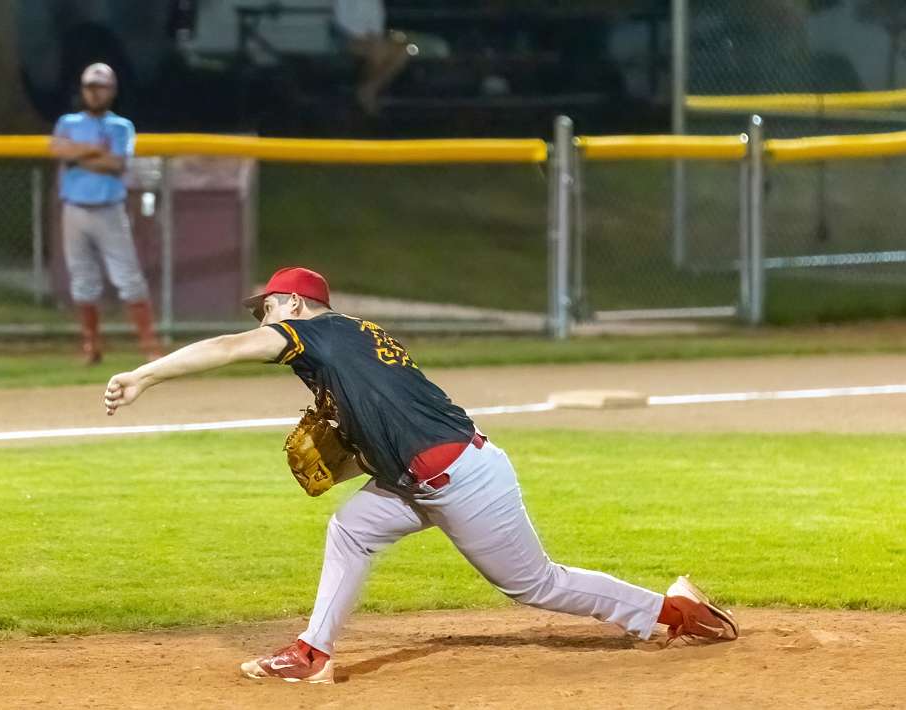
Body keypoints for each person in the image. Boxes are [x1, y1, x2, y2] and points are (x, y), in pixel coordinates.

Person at [103, 266, 739, 684]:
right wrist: (356, 453)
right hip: (418, 479)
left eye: (267, 310)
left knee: (536, 584)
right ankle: (312, 653)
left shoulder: (315, 334)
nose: (262, 324)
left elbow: (225, 348)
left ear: (295, 304)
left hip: (463, 477)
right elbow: (390, 422)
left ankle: (672, 612)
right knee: (351, 530)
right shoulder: (352, 340)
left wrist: (143, 375)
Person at [50, 63, 162, 364]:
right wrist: (95, 151)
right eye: (90, 87)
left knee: (129, 278)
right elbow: (58, 150)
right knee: (82, 279)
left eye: (100, 88)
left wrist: (78, 154)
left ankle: (149, 346)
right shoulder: (68, 121)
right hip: (74, 209)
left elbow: (116, 164)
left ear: (112, 91)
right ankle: (91, 346)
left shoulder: (120, 126)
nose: (94, 93)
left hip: (109, 210)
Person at [333, 0, 410, 115]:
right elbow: (343, 21)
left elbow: (377, 24)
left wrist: (375, 38)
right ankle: (366, 97)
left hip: (371, 40)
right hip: (345, 38)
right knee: (378, 52)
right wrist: (369, 38)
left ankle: (369, 89)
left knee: (404, 51)